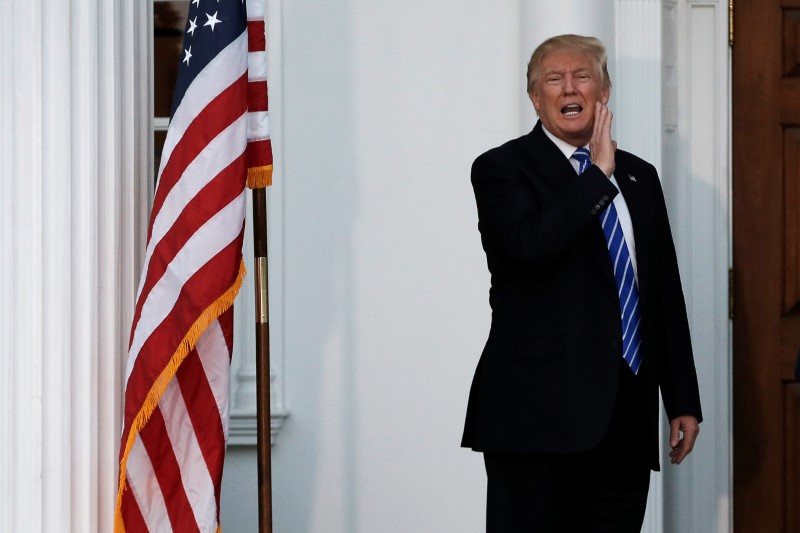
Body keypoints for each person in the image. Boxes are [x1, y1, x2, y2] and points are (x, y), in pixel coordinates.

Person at [461, 34, 703, 532]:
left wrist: (682, 399)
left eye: (583, 76)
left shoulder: (640, 176)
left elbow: (661, 293)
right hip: (535, 419)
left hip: (625, 422)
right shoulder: (501, 169)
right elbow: (531, 249)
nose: (569, 87)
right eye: (554, 79)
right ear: (535, 97)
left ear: (604, 90)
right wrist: (596, 176)